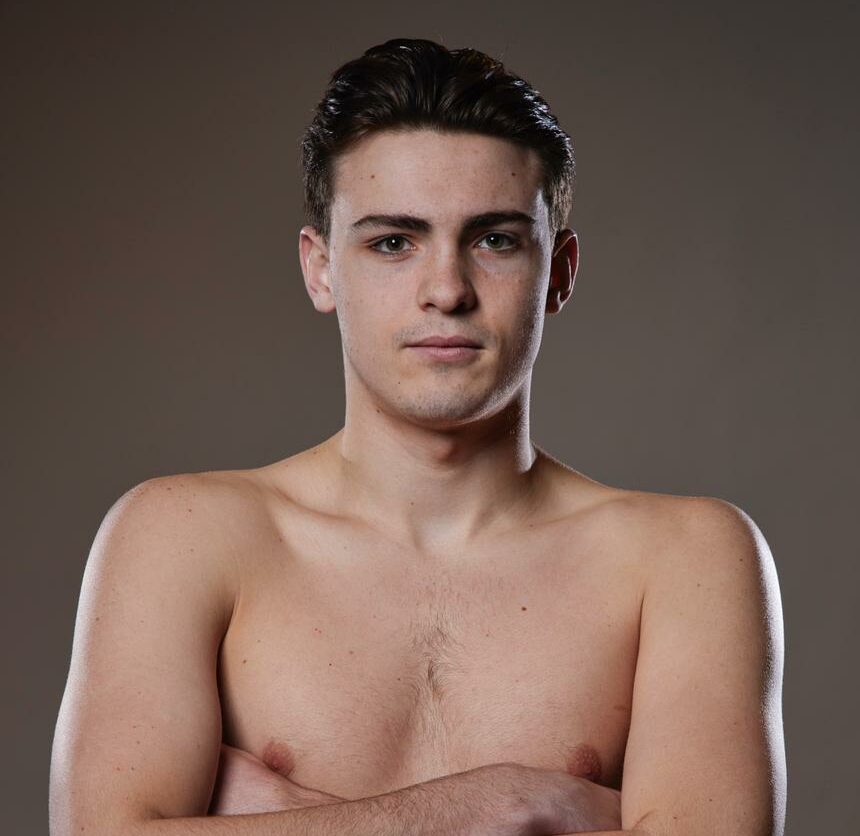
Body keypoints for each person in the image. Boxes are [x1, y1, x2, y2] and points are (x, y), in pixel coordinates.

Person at [48, 38, 786, 836]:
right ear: (321, 269)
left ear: (559, 273)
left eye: (495, 239)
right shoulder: (182, 538)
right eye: (393, 242)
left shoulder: (685, 559)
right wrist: (501, 805)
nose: (446, 290)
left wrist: (273, 814)